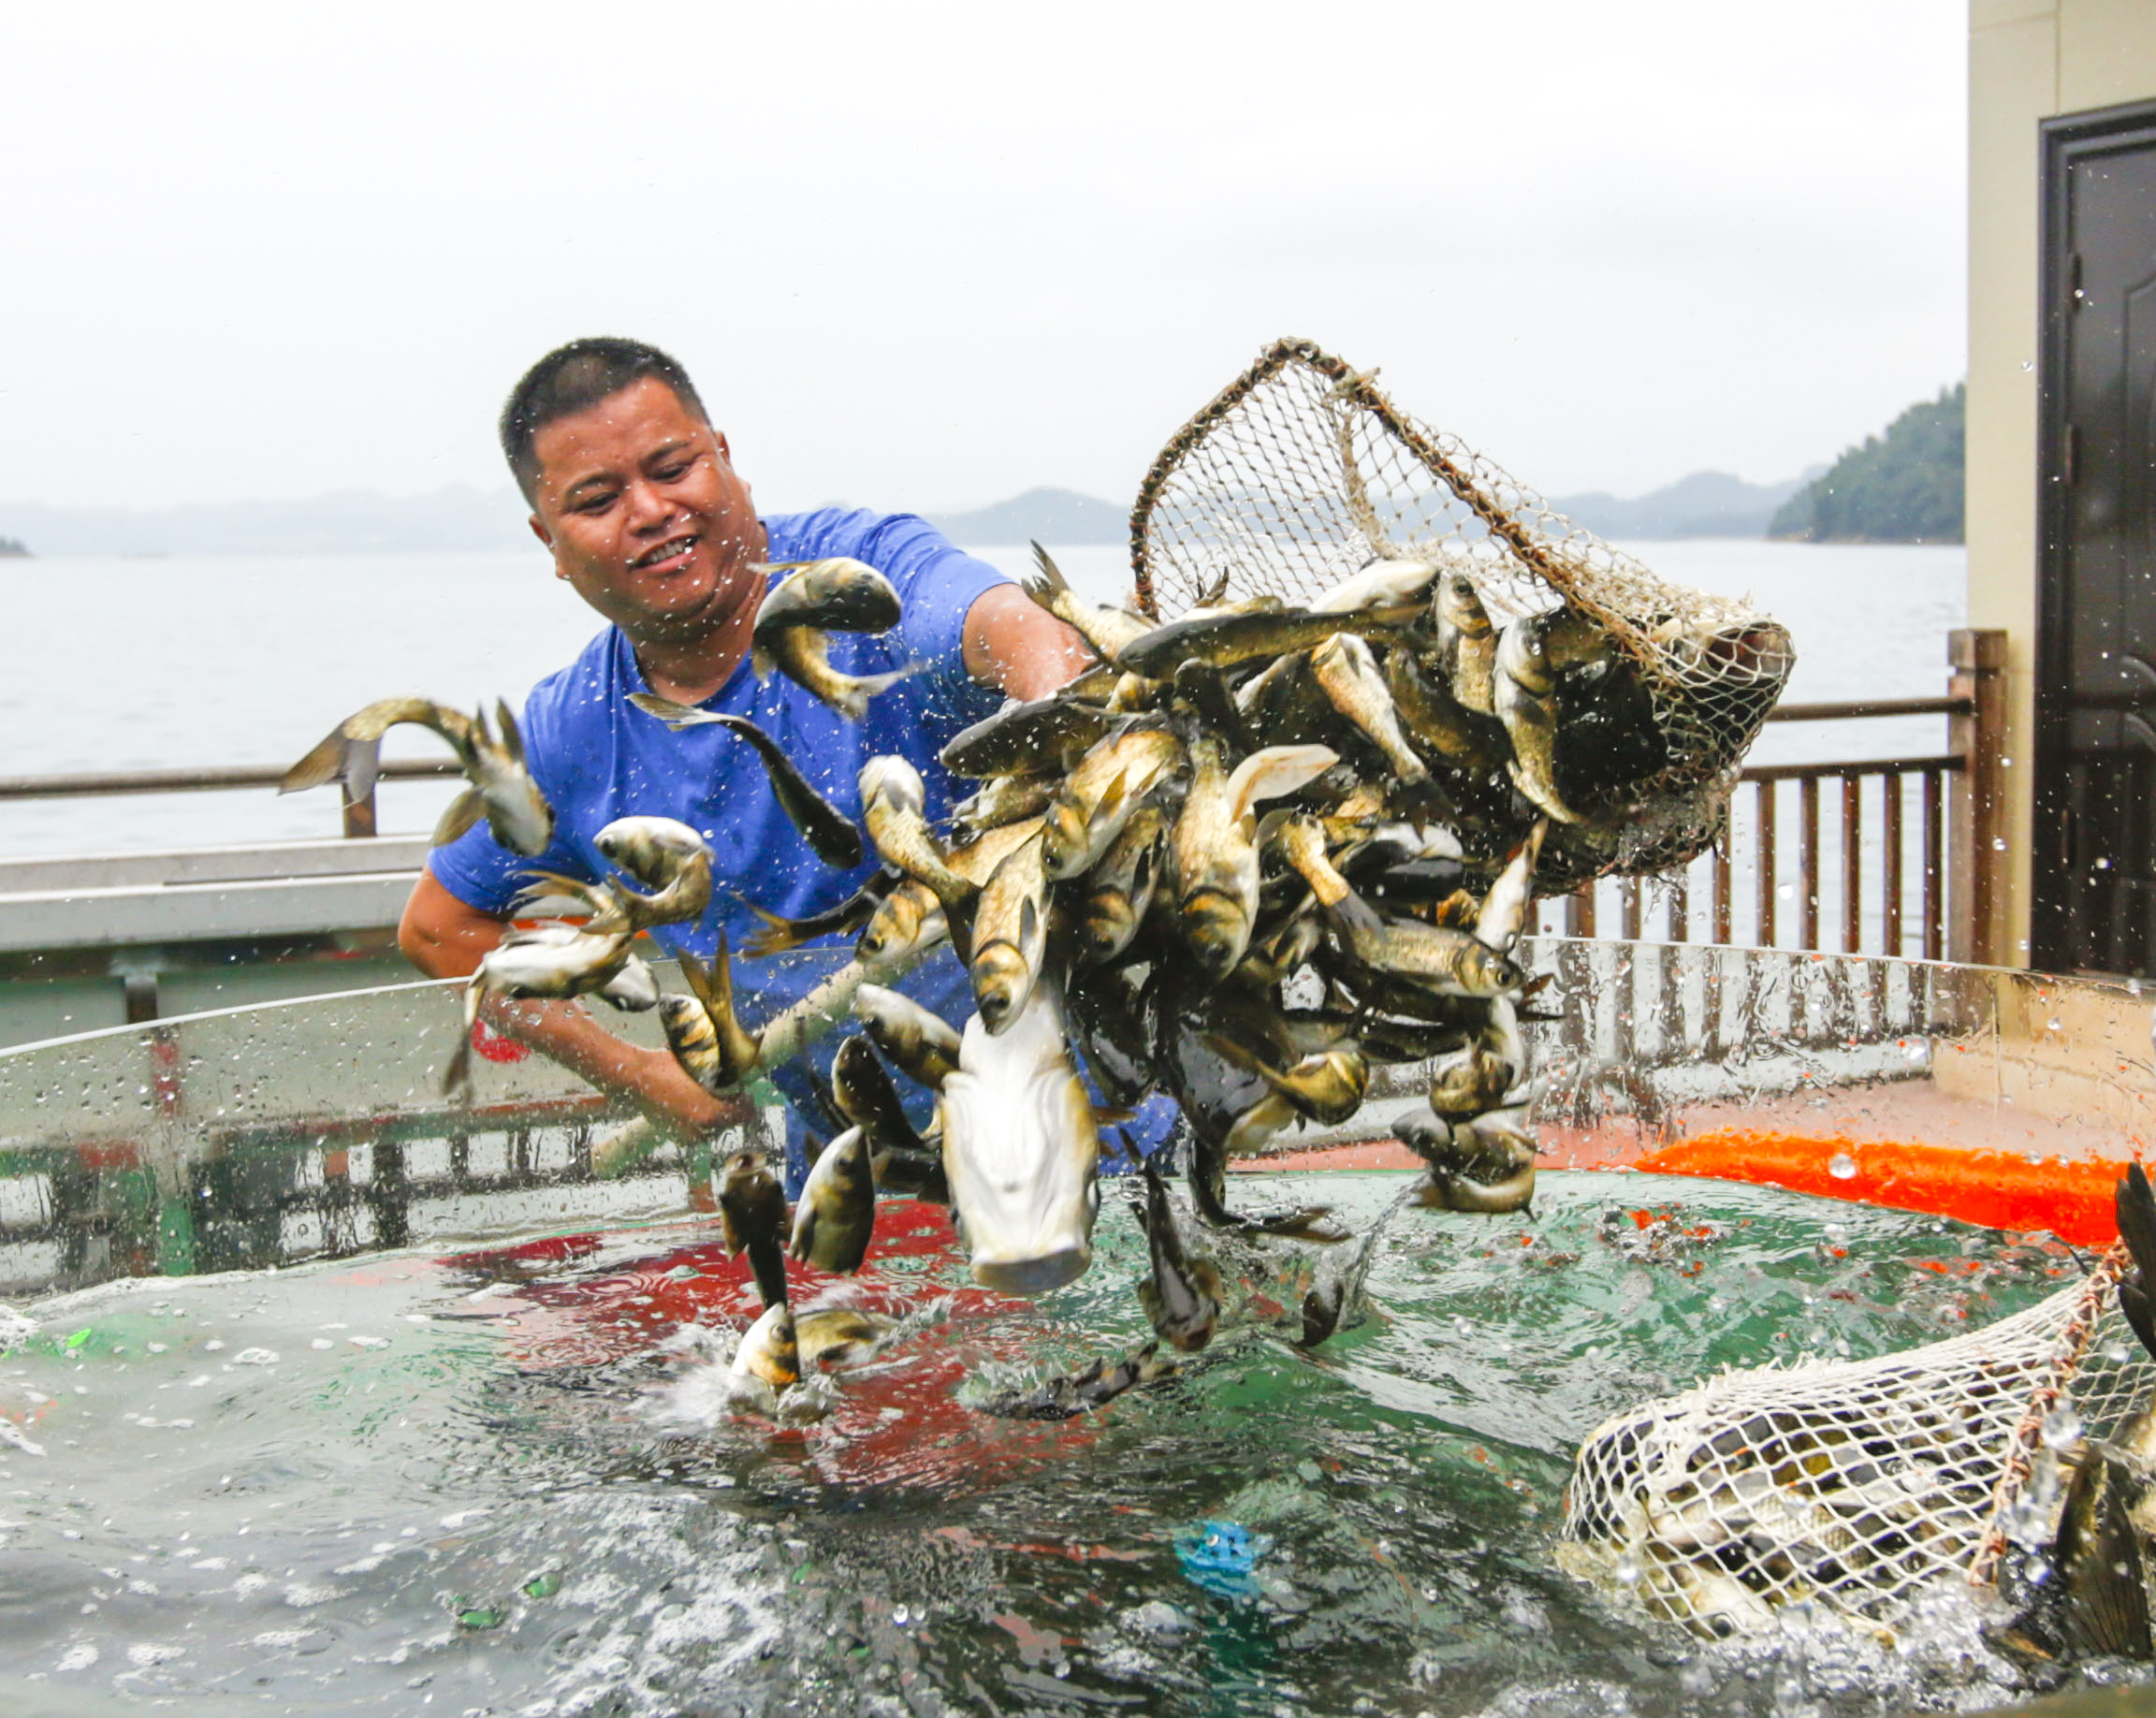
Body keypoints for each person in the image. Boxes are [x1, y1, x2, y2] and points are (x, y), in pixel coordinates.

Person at [396, 337, 1100, 1161]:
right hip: (853, 1190)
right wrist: (639, 1072)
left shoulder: (856, 574)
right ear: (548, 540)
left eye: (672, 467)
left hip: (1098, 1144)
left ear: (724, 457)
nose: (651, 509)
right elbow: (440, 928)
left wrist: (1057, 717)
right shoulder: (572, 732)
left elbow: (1015, 629)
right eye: (596, 499)